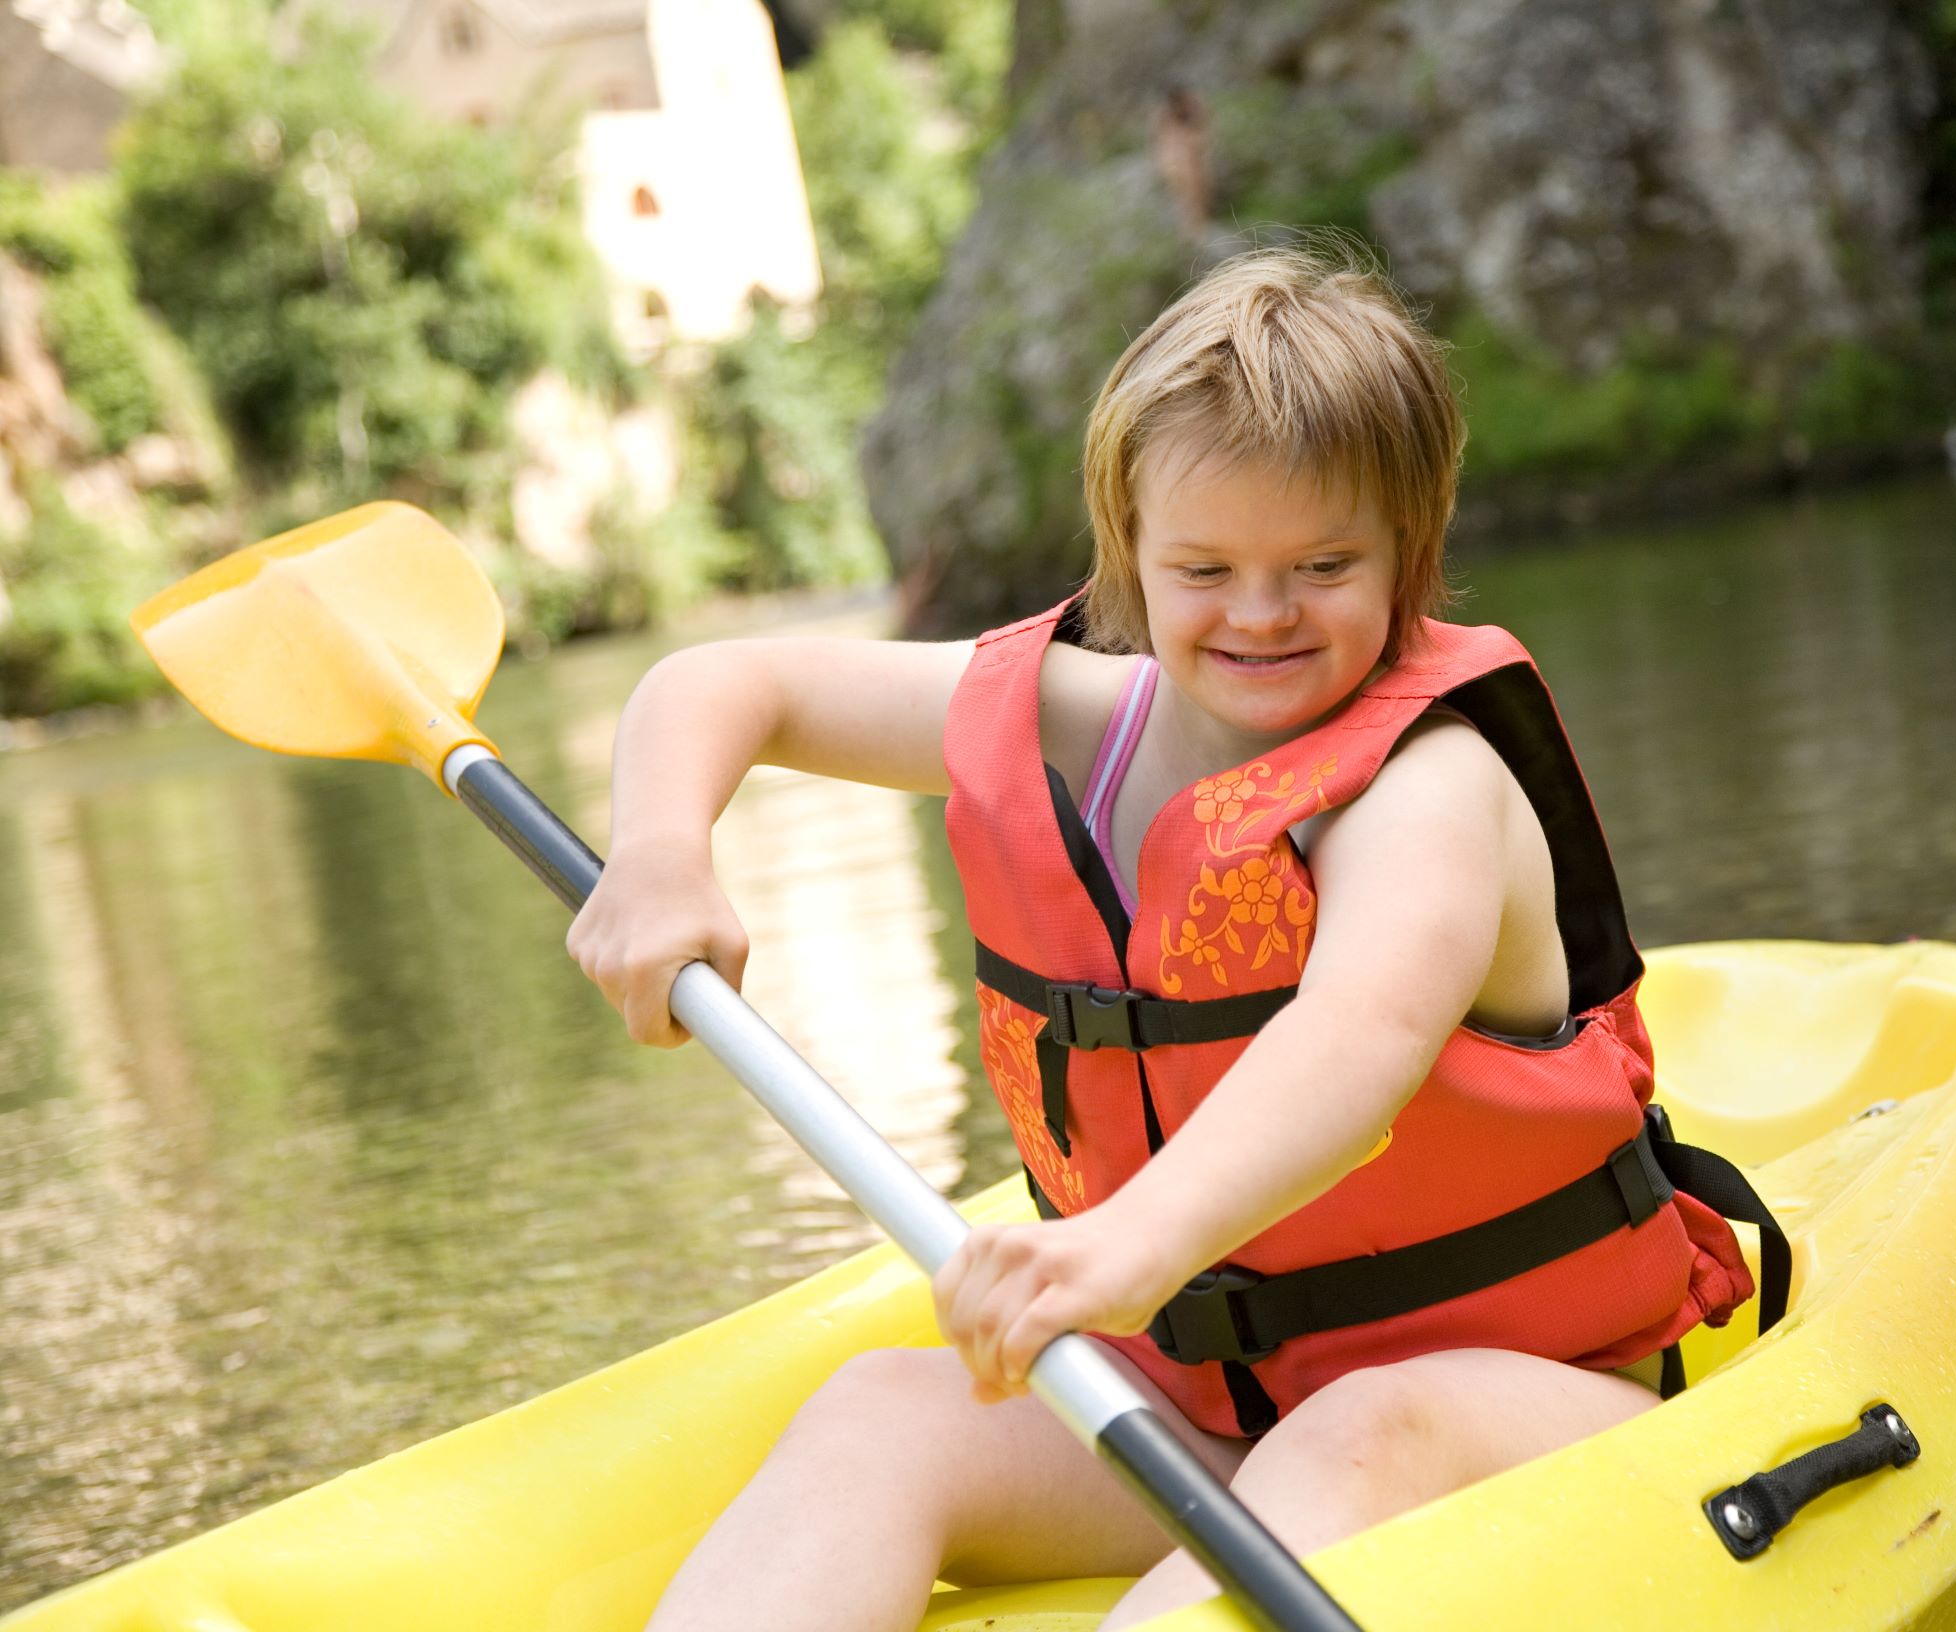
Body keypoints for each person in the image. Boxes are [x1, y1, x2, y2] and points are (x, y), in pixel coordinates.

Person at [566, 243, 1761, 1632]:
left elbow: (1356, 1039)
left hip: (1511, 1409)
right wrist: (659, 851)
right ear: (1129, 554)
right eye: (1205, 568)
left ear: (1408, 555)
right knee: (888, 1409)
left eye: (1323, 564)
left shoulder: (1429, 790)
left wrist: (1127, 1247)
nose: (1260, 614)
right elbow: (729, 680)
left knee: (1356, 1431)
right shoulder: (1081, 719)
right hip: (1214, 1410)